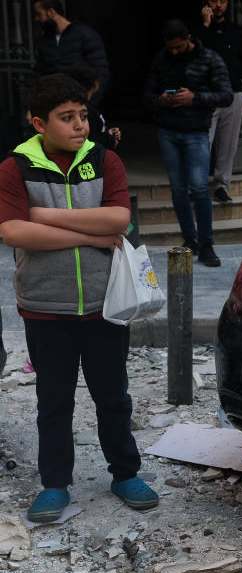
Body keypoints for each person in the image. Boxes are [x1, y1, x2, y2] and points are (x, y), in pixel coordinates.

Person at [0, 73, 159, 523]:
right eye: (66, 118)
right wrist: (89, 231)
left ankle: (125, 472)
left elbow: (120, 221)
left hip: (104, 305)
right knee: (54, 400)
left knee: (114, 396)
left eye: (83, 116)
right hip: (44, 308)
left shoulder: (105, 161)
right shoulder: (15, 168)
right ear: (38, 123)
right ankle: (55, 484)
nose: (79, 126)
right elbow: (13, 231)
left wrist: (47, 218)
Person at [143, 19, 233, 267]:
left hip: (196, 131)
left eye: (178, 47)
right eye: (170, 48)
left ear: (188, 39)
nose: (174, 52)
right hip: (168, 130)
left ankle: (207, 244)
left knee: (199, 188)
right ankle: (189, 240)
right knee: (178, 189)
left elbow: (226, 95)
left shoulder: (210, 58)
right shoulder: (161, 59)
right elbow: (147, 95)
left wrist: (194, 98)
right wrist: (162, 99)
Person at [198, 0, 242, 204]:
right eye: (214, 1)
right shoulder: (199, 32)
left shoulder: (236, 32)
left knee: (228, 145)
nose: (218, 5)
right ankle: (196, 185)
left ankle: (221, 185)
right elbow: (195, 56)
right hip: (207, 96)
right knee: (201, 142)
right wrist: (205, 26)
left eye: (222, 1)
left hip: (233, 95)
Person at [32, 1, 110, 104]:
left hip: (81, 103)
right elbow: (40, 74)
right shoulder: (44, 41)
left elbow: (101, 72)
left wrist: (88, 101)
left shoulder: (84, 34)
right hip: (55, 104)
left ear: (51, 12)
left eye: (39, 14)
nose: (36, 19)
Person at [62, 63, 121, 149]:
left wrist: (108, 134)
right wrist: (110, 140)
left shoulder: (61, 109)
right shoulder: (88, 112)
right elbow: (90, 140)